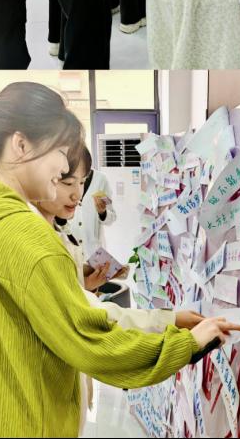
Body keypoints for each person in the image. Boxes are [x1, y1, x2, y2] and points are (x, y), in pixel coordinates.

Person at [0, 81, 240, 437]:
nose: (64, 170)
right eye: (60, 154)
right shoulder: (25, 235)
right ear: (20, 145)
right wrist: (186, 345)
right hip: (21, 422)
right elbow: (89, 341)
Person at [34, 145, 205, 434]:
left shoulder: (93, 187)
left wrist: (102, 213)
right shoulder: (39, 244)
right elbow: (95, 325)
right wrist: (173, 326)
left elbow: (109, 217)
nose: (77, 194)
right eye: (67, 182)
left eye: (81, 182)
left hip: (90, 256)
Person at [71, 146, 116, 259]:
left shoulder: (101, 180)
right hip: (70, 252)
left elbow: (112, 217)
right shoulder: (63, 179)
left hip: (95, 253)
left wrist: (103, 213)